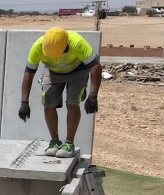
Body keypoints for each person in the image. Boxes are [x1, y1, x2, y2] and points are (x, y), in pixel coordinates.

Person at [18, 27, 102, 158]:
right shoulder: (38, 46)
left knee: (72, 103)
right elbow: (29, 74)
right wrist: (24, 102)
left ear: (66, 46)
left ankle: (69, 144)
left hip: (77, 71)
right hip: (52, 72)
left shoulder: (77, 42)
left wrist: (93, 96)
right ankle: (55, 142)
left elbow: (96, 67)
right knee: (48, 103)